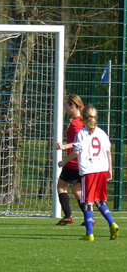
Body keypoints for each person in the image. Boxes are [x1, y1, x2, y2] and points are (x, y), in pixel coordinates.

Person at [58, 105, 119, 241]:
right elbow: (108, 152)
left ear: (83, 119)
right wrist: (110, 170)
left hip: (89, 171)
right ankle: (112, 223)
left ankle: (89, 233)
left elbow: (76, 152)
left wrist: (64, 162)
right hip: (102, 169)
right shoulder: (102, 133)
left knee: (87, 201)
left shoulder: (82, 133)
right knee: (99, 200)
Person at [55, 95, 87, 226]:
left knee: (61, 186)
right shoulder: (82, 120)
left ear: (73, 107)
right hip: (82, 163)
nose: (65, 109)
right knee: (77, 190)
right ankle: (88, 217)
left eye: (66, 106)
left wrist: (64, 158)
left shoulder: (75, 124)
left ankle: (68, 215)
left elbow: (77, 145)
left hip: (74, 162)